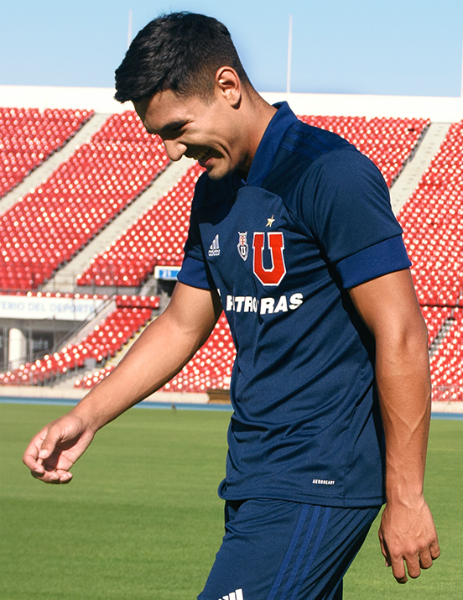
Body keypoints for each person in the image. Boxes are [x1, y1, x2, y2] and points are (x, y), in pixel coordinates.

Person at [22, 12, 439, 599]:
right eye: (158, 135)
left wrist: (407, 494)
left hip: (316, 475)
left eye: (176, 128)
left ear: (227, 87)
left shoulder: (329, 174)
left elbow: (402, 335)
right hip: (253, 473)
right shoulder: (214, 192)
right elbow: (181, 323)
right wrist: (86, 416)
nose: (170, 153)